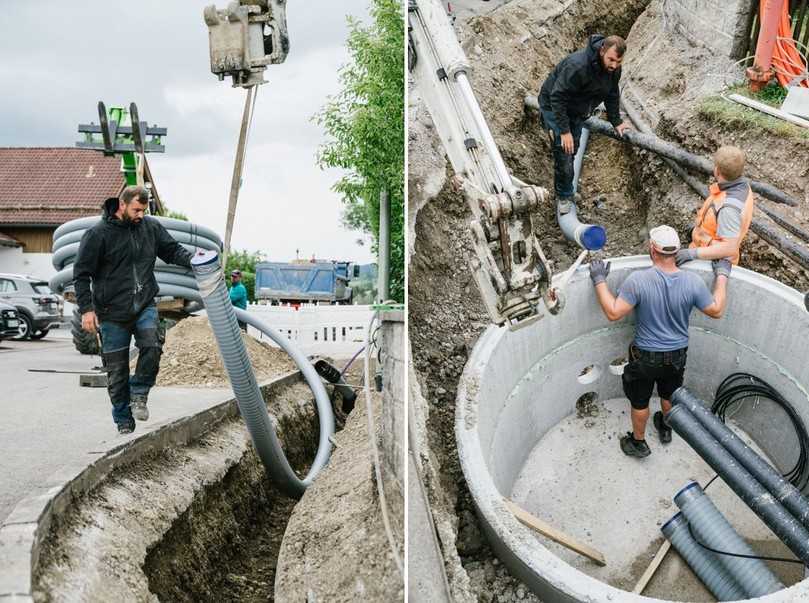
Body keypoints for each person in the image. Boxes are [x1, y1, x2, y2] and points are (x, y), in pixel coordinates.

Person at [588, 225, 730, 458]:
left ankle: (638, 442)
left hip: (645, 358)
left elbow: (614, 312)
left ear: (652, 250)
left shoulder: (638, 281)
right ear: (677, 252)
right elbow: (716, 310)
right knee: (668, 395)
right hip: (676, 356)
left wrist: (599, 280)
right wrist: (722, 275)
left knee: (640, 401)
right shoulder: (692, 282)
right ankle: (666, 427)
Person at [74, 186, 193, 435]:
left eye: (144, 210)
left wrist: (194, 260)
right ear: (122, 204)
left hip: (143, 303)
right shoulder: (98, 234)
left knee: (151, 345)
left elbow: (171, 250)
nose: (140, 215)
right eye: (136, 209)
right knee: (116, 371)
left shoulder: (150, 227)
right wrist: (86, 310)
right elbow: (81, 274)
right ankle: (123, 420)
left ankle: (139, 393)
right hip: (111, 311)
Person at [538, 34, 632, 205]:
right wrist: (564, 131)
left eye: (618, 62)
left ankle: (566, 185)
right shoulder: (578, 66)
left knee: (573, 148)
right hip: (554, 105)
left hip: (577, 108)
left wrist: (616, 120)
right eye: (611, 60)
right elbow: (557, 97)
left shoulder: (614, 70)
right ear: (602, 50)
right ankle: (564, 197)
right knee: (564, 149)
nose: (614, 65)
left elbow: (611, 94)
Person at [676, 145, 754, 267]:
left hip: (712, 263)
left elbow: (728, 248)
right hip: (706, 250)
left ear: (717, 171)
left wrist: (692, 253)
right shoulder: (741, 187)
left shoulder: (728, 209)